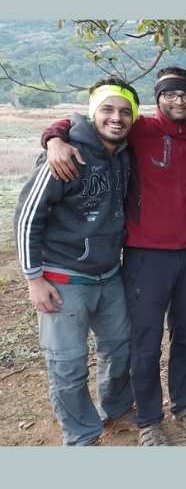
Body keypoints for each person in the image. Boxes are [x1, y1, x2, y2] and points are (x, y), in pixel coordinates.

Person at [42, 67, 186, 446]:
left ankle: (185, 405)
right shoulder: (138, 129)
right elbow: (84, 123)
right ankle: (149, 419)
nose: (178, 100)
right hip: (145, 255)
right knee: (146, 341)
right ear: (157, 98)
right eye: (170, 94)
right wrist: (53, 138)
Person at [14, 77, 136, 446]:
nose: (116, 118)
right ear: (92, 112)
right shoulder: (66, 155)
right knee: (67, 364)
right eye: (107, 110)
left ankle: (116, 408)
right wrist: (34, 279)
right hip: (63, 278)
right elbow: (27, 217)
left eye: (125, 111)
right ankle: (82, 434)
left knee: (120, 348)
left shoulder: (124, 152)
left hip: (109, 275)